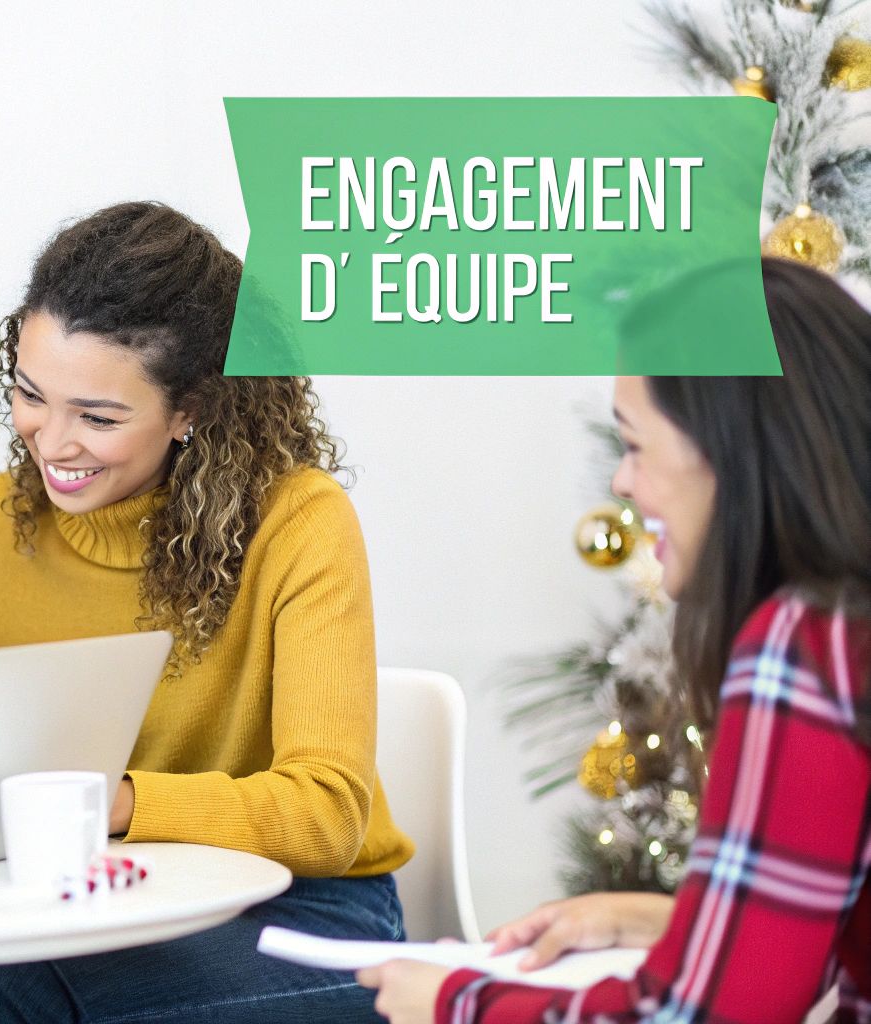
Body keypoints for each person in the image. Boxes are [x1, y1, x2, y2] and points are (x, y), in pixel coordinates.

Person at [359, 259, 871, 1022]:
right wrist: (651, 918)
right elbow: (816, 933)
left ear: (731, 451)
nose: (624, 484)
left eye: (635, 445)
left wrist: (456, 1003)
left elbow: (701, 1016)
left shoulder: (807, 647)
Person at [0, 201, 413, 1022]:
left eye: (97, 417)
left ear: (191, 409)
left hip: (308, 917)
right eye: (29, 394)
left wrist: (116, 803)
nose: (51, 442)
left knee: (37, 992)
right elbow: (3, 761)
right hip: (106, 907)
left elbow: (329, 812)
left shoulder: (298, 521)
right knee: (1, 977)